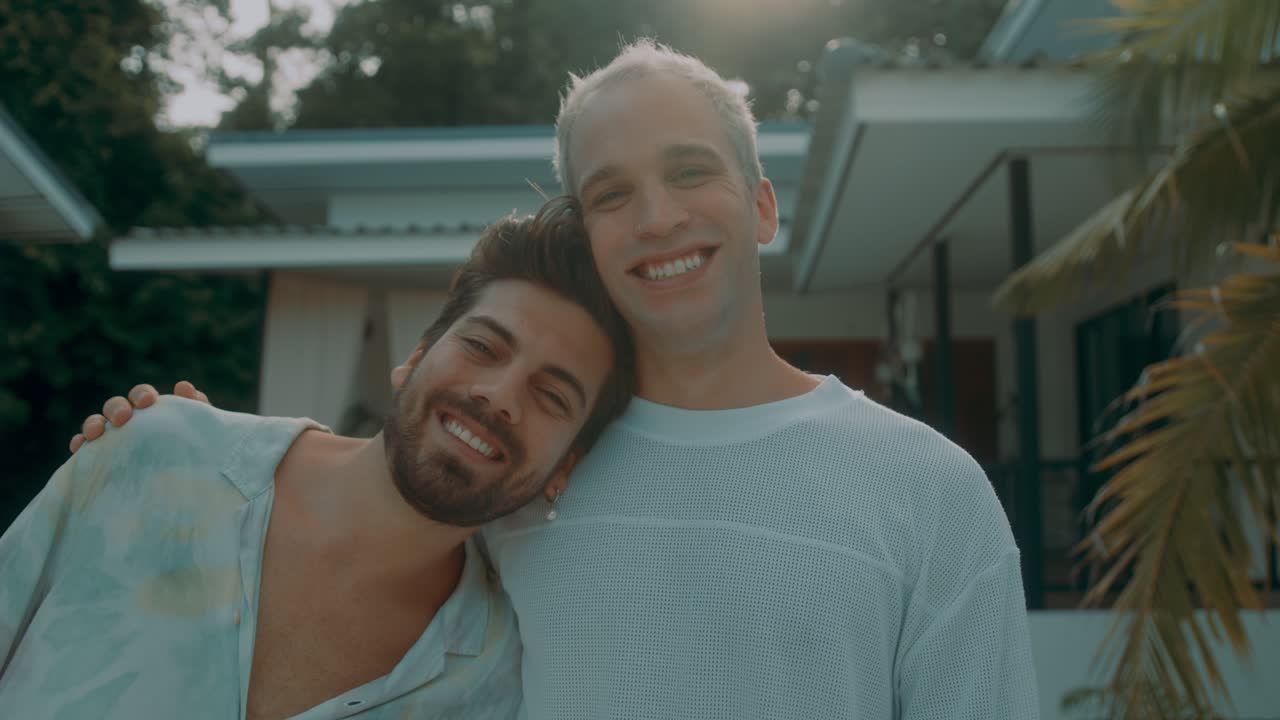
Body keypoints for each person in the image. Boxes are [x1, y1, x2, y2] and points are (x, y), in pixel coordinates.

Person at [73, 40, 1039, 718]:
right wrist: (183, 457)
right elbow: (324, 535)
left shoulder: (931, 491)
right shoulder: (522, 461)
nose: (656, 218)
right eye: (612, 193)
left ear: (761, 206)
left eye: (690, 173)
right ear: (587, 227)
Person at [3, 199, 634, 719]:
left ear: (565, 467)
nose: (498, 396)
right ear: (416, 354)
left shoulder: (493, 687)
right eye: (483, 344)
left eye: (551, 395)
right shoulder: (156, 452)